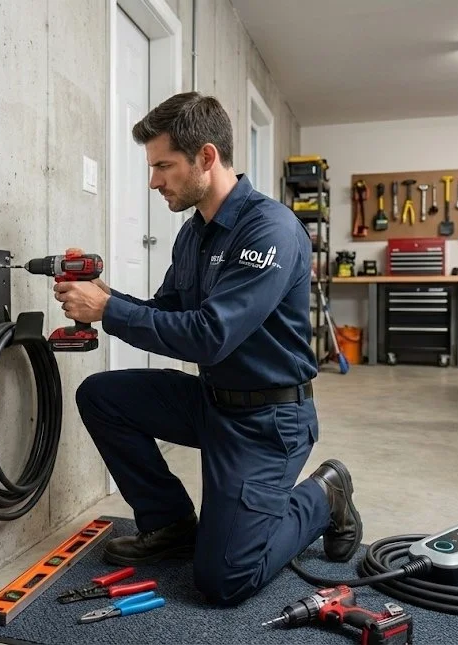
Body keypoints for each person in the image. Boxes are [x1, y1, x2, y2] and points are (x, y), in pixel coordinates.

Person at [53, 91, 362, 606]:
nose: (154, 181)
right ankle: (170, 524)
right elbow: (170, 313)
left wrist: (106, 311)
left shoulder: (271, 228)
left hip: (269, 423)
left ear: (207, 158)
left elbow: (210, 335)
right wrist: (104, 297)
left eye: (164, 166)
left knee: (223, 580)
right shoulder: (192, 235)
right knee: (101, 395)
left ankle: (325, 495)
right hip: (212, 401)